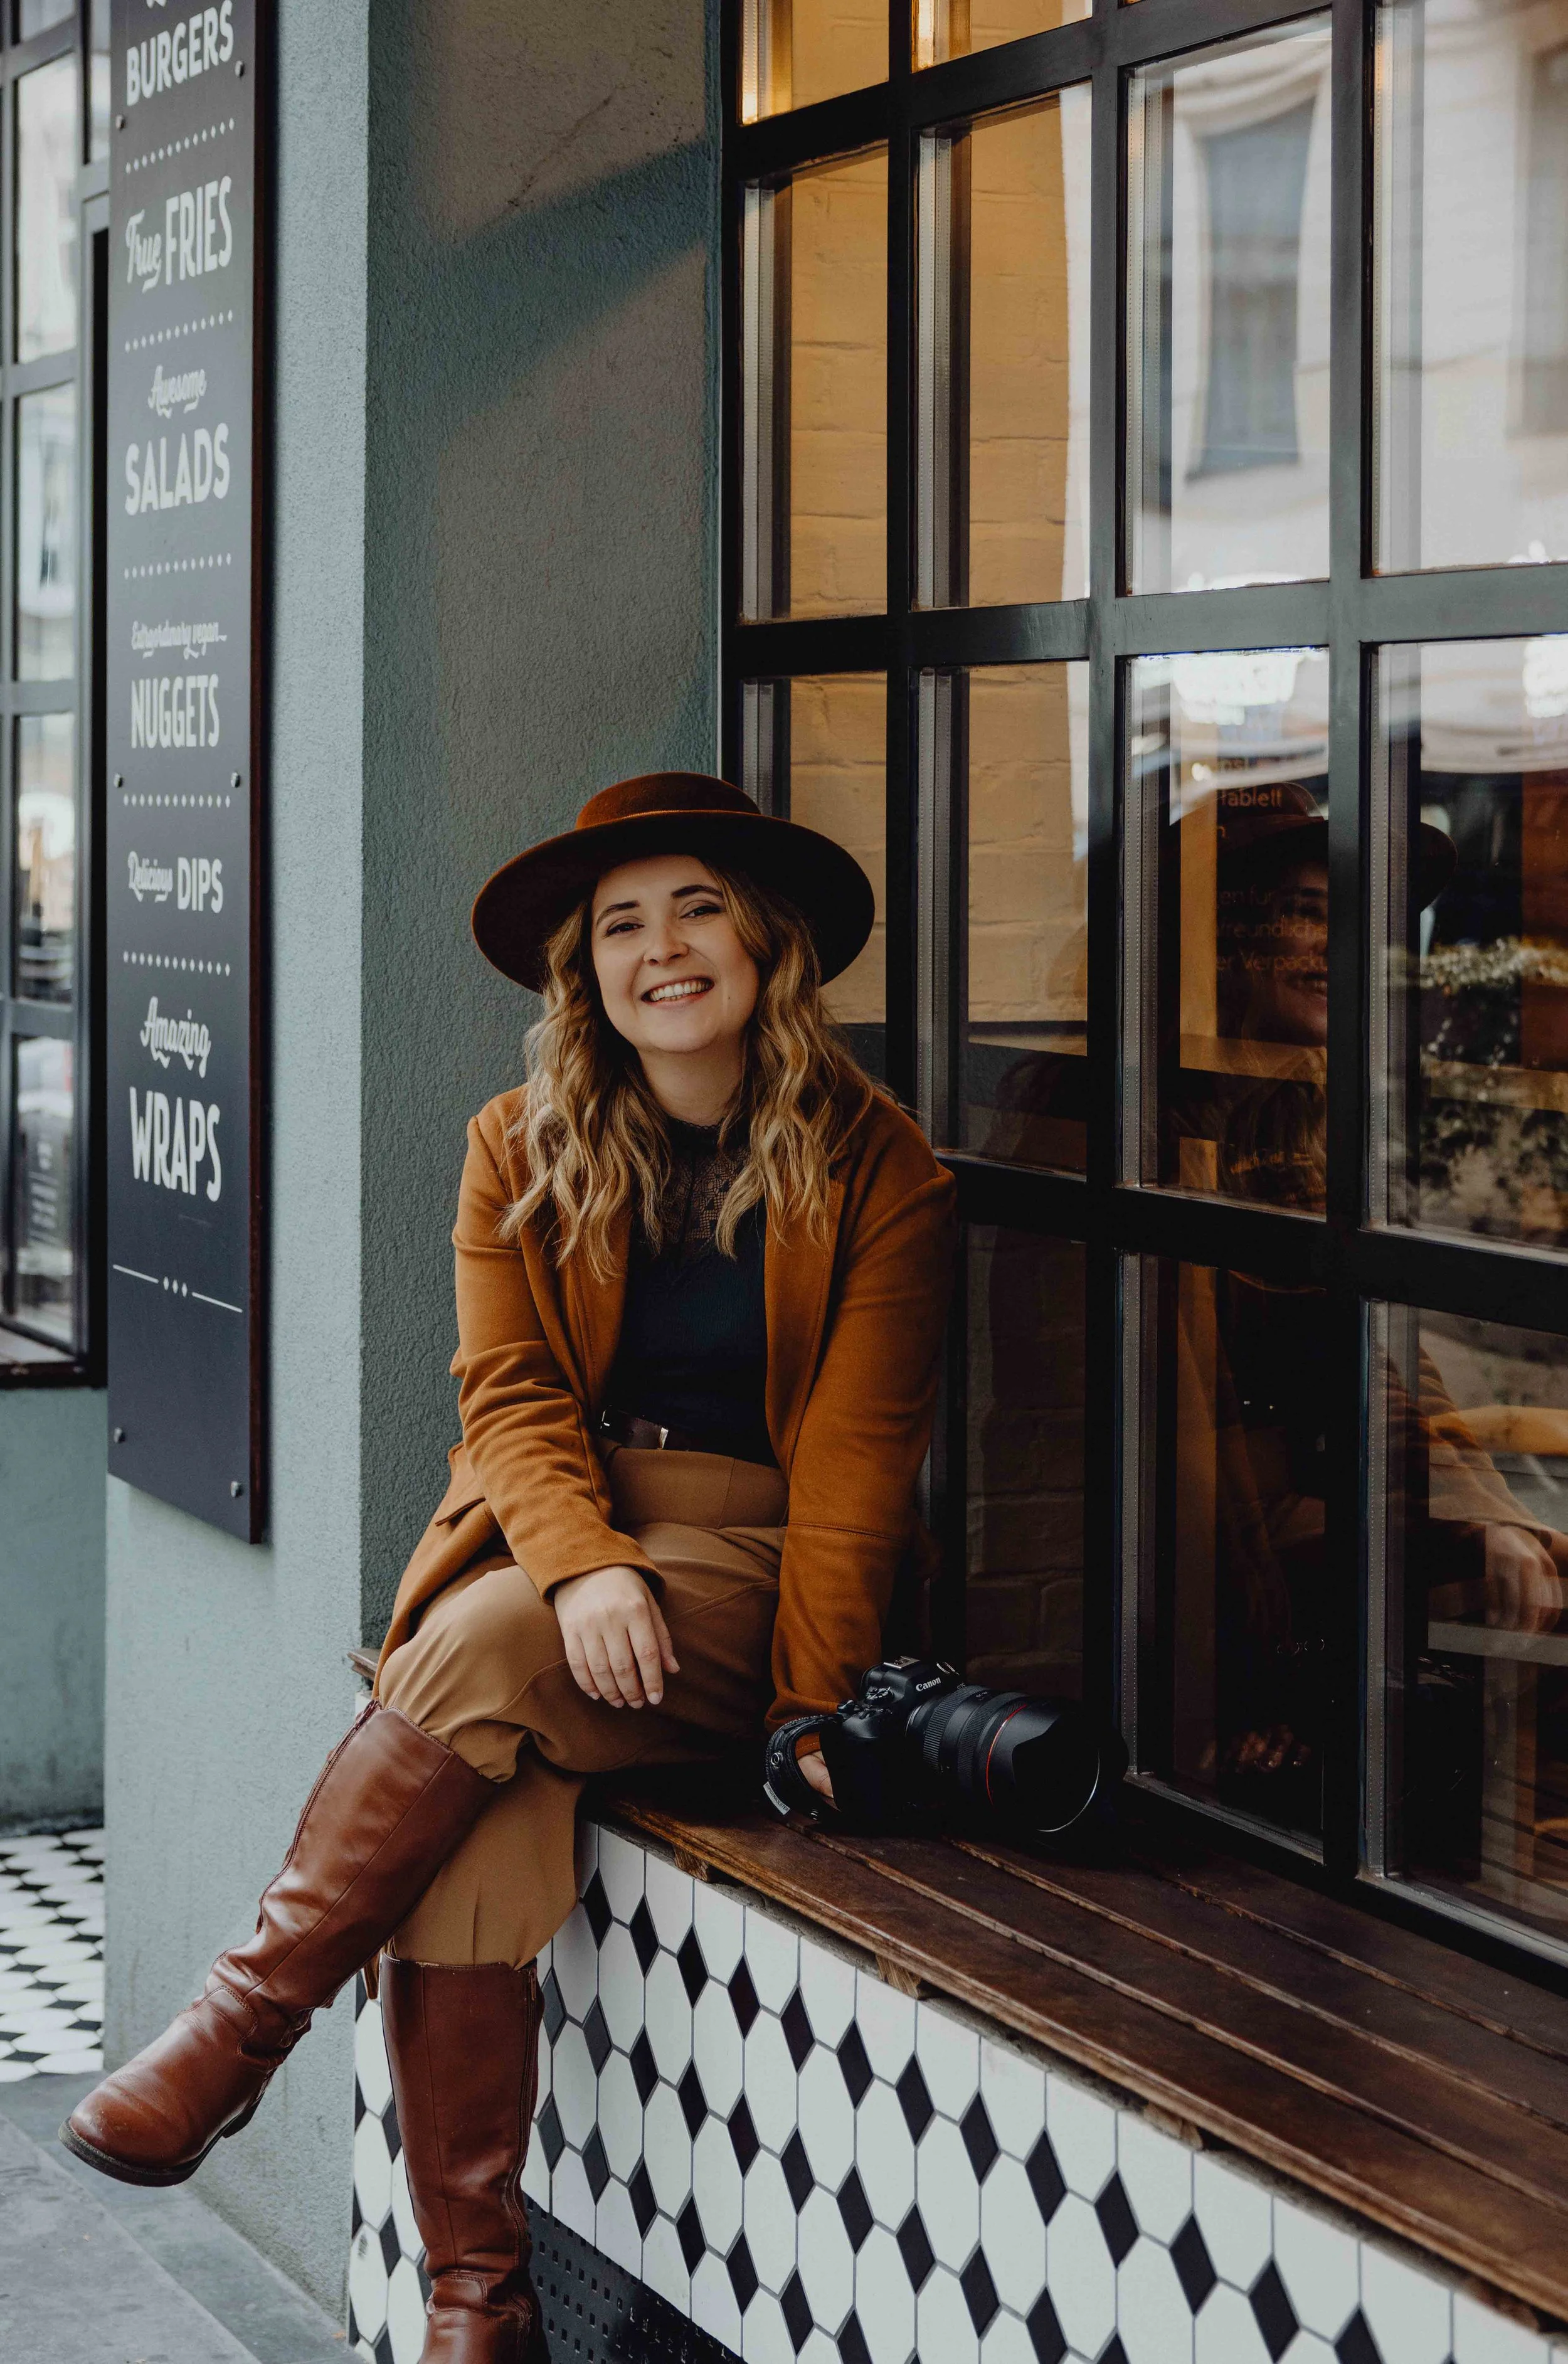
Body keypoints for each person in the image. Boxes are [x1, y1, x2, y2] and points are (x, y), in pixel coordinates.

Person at [61, 773, 957, 2361]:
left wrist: (808, 1716)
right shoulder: (516, 1145)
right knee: (479, 1810)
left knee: (470, 1654)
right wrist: (585, 1566)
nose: (660, 950)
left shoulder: (879, 1165)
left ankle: (243, 2020)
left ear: (764, 943)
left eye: (696, 911)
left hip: (753, 1567)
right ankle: (478, 2302)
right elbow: (513, 1398)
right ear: (583, 971)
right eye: (622, 926)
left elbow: (855, 1469)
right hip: (564, 1556)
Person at [1168, 781, 1565, 1825]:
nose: (1331, 946)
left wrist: (1484, 1516)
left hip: (1285, 1525)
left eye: (1346, 918)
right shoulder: (1135, 1110)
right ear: (1217, 941)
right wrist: (1229, 1672)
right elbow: (1161, 1431)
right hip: (1183, 1572)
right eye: (1301, 913)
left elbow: (1374, 1349)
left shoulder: (1295, 1109)